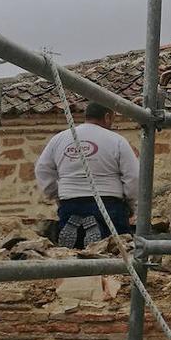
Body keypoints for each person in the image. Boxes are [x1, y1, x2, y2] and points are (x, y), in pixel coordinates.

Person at [35, 102, 139, 248]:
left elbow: (42, 169)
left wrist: (55, 194)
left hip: (70, 201)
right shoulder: (117, 141)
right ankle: (98, 238)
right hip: (108, 203)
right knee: (114, 248)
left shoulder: (59, 139)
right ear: (107, 117)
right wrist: (130, 204)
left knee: (73, 253)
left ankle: (78, 236)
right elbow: (133, 176)